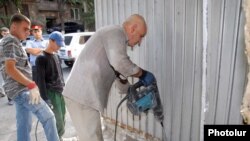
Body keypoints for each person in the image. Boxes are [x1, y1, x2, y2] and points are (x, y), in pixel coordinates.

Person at [62, 14, 156, 141]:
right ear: (133, 28)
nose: (139, 42)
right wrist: (143, 74)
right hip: (82, 96)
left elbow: (118, 73)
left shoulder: (116, 41)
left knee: (91, 137)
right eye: (141, 37)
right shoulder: (115, 32)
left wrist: (130, 92)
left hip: (85, 97)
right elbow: (120, 63)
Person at [0, 13, 60, 141]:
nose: (29, 32)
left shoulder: (13, 41)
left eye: (30, 29)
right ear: (14, 27)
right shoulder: (11, 41)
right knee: (49, 117)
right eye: (25, 28)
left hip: (17, 90)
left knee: (24, 125)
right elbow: (10, 69)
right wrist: (31, 85)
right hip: (21, 90)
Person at [35, 31, 66, 140]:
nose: (59, 46)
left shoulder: (57, 56)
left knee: (63, 117)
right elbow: (40, 81)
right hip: (51, 92)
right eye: (57, 44)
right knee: (57, 121)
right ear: (51, 41)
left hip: (60, 91)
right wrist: (45, 98)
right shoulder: (41, 58)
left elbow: (60, 75)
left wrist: (64, 87)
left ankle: (60, 137)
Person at [0, 27, 14, 105]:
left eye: (7, 32)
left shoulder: (13, 40)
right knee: (7, 82)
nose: (5, 34)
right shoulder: (0, 42)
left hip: (14, 64)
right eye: (4, 33)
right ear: (1, 33)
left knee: (15, 81)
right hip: (4, 65)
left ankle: (16, 97)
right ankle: (10, 99)